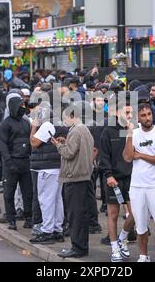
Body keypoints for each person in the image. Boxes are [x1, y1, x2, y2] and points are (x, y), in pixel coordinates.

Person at [123, 103, 155, 262]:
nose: (147, 118)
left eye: (149, 114)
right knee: (140, 226)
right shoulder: (134, 133)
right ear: (138, 118)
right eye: (143, 115)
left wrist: (141, 155)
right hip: (137, 186)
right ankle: (143, 256)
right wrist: (129, 134)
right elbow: (128, 157)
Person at [53, 103, 95, 258]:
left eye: (65, 118)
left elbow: (69, 153)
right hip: (83, 176)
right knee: (81, 215)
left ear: (72, 116)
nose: (64, 122)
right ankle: (81, 246)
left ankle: (77, 247)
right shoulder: (84, 130)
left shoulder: (76, 130)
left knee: (75, 215)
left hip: (74, 177)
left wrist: (58, 145)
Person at [99, 92, 135, 262]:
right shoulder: (108, 130)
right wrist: (108, 175)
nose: (129, 116)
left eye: (130, 113)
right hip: (114, 178)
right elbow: (103, 156)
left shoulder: (134, 130)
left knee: (135, 214)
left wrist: (130, 133)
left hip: (132, 178)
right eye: (126, 112)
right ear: (118, 112)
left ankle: (122, 239)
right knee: (113, 214)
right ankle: (114, 248)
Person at [29, 99, 67, 245]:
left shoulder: (47, 125)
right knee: (57, 200)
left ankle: (47, 231)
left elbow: (33, 143)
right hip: (58, 166)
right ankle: (57, 230)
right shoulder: (62, 124)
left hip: (47, 168)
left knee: (46, 200)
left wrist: (34, 127)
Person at [0, 93, 33, 230]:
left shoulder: (26, 123)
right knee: (8, 193)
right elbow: (3, 145)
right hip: (11, 163)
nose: (23, 107)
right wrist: (8, 162)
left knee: (28, 193)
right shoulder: (5, 124)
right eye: (20, 105)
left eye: (23, 105)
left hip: (25, 162)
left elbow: (30, 142)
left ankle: (28, 217)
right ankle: (11, 219)